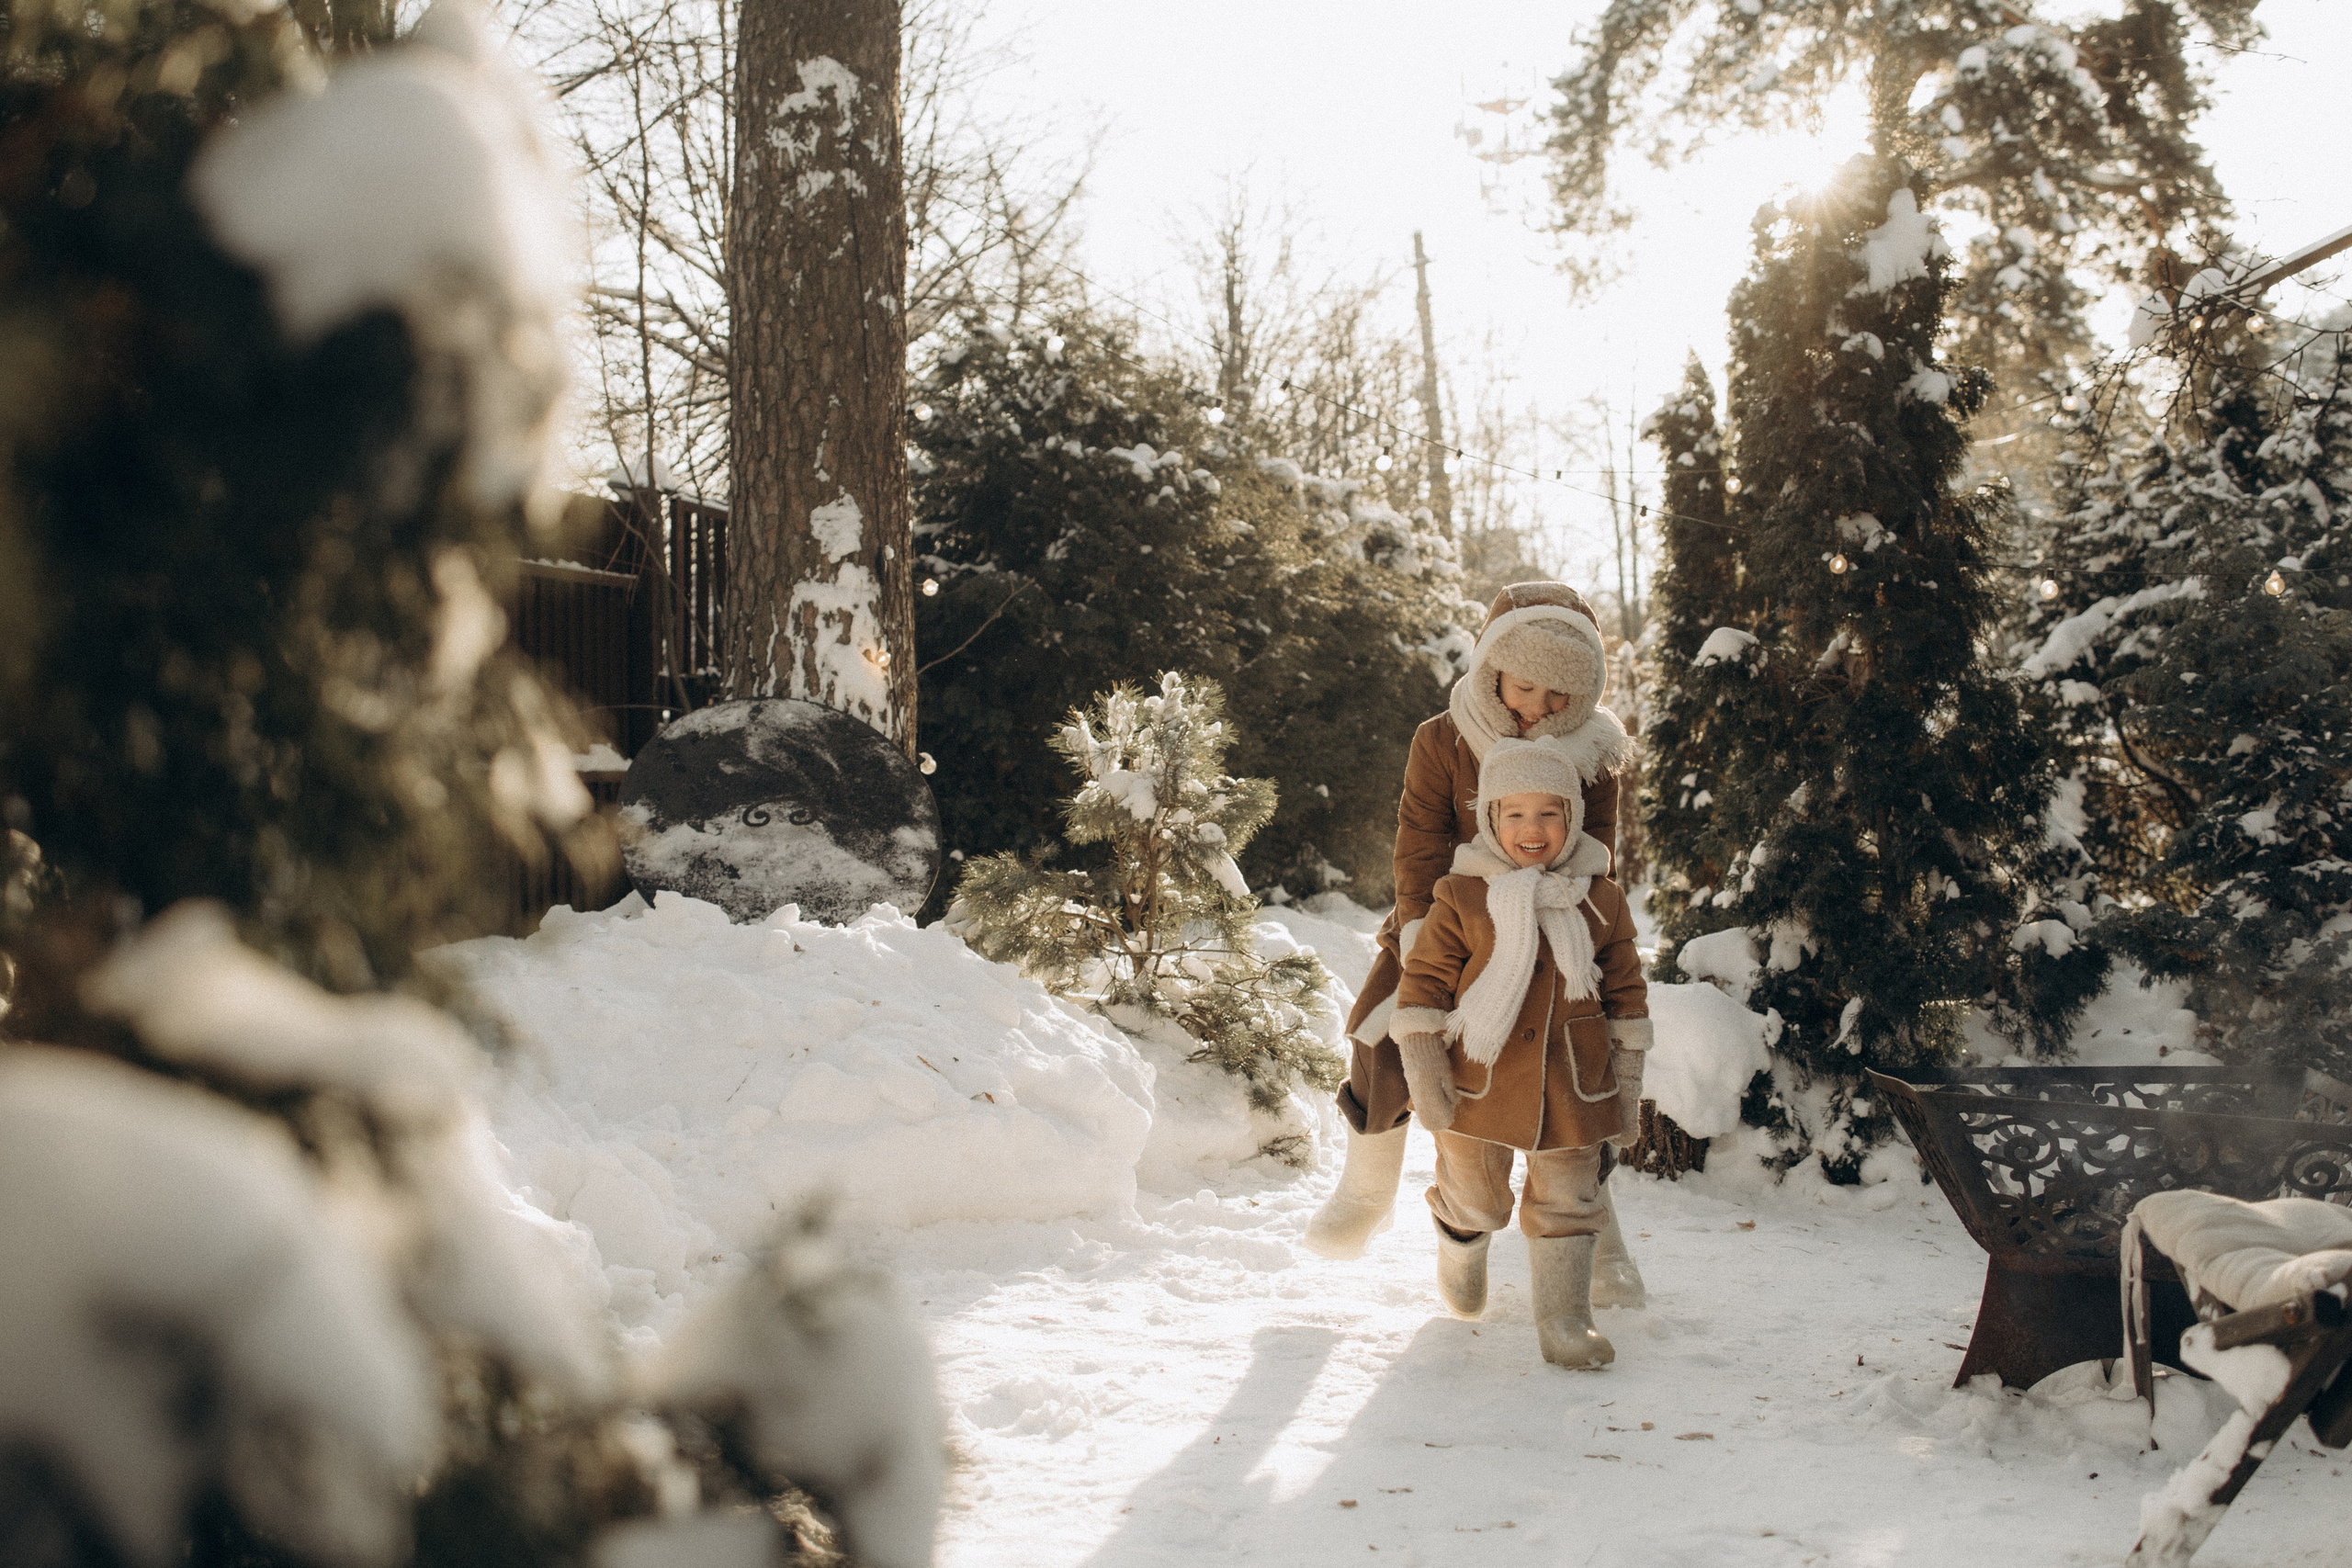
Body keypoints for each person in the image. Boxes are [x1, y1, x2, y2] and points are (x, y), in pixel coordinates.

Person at [1303, 582, 1645, 1307]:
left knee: (1578, 1066)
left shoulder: (1595, 751)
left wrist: (1575, 925)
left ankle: (1595, 1225)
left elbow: (1597, 852)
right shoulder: (1443, 738)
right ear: (1494, 666)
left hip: (1556, 922)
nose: (1539, 707)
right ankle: (1366, 1191)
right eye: (1526, 686)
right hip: (1446, 918)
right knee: (1381, 1035)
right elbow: (1420, 844)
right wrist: (1434, 938)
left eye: (1560, 694)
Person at [1388, 737, 1651, 1369]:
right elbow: (1422, 985)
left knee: (1569, 1199)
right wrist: (1425, 1069)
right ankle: (1460, 1236)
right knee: (1478, 1195)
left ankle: (1565, 1318)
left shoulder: (1601, 899)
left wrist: (1626, 1083)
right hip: (1476, 1082)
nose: (1533, 829)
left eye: (1549, 813)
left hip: (1573, 1082)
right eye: (1515, 814)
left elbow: (1625, 994)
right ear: (1491, 820)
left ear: (1572, 818)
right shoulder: (1461, 895)